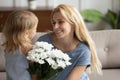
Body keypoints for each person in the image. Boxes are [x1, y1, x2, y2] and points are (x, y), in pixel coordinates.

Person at [38, 4, 102, 80]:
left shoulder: (83, 51)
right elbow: (36, 73)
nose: (55, 27)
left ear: (73, 23)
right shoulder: (43, 42)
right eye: (54, 23)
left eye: (60, 22)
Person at [2, 10, 38, 80]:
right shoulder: (28, 48)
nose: (36, 30)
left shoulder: (8, 46)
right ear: (26, 34)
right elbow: (34, 71)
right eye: (35, 29)